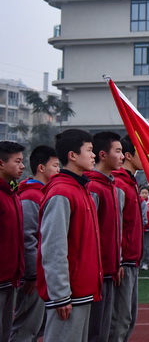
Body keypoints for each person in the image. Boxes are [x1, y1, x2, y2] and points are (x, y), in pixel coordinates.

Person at [37, 129, 102, 342]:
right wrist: (61, 295)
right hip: (69, 294)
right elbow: (54, 247)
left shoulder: (81, 189)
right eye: (89, 150)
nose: (93, 155)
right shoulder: (61, 192)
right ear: (72, 155)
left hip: (82, 290)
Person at [11, 145, 59, 342]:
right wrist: (32, 274)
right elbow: (28, 238)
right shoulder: (31, 196)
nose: (58, 170)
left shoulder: (44, 193)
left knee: (38, 326)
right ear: (41, 168)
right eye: (55, 166)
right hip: (34, 276)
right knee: (26, 327)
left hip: (43, 273)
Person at [86, 132, 125, 342]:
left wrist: (118, 261)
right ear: (103, 155)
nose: (122, 156)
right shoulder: (94, 187)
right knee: (94, 331)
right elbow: (91, 232)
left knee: (105, 329)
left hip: (111, 270)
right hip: (97, 273)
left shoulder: (112, 187)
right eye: (117, 151)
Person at [109, 135, 144, 341]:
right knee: (119, 321)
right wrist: (119, 259)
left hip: (132, 260)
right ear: (128, 156)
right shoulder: (119, 184)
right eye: (142, 152)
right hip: (123, 262)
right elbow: (116, 226)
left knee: (128, 319)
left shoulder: (130, 183)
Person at [0, 141, 25, 342]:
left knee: (6, 333)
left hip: (10, 279)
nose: (22, 166)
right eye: (17, 161)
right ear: (1, 163)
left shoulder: (12, 193)